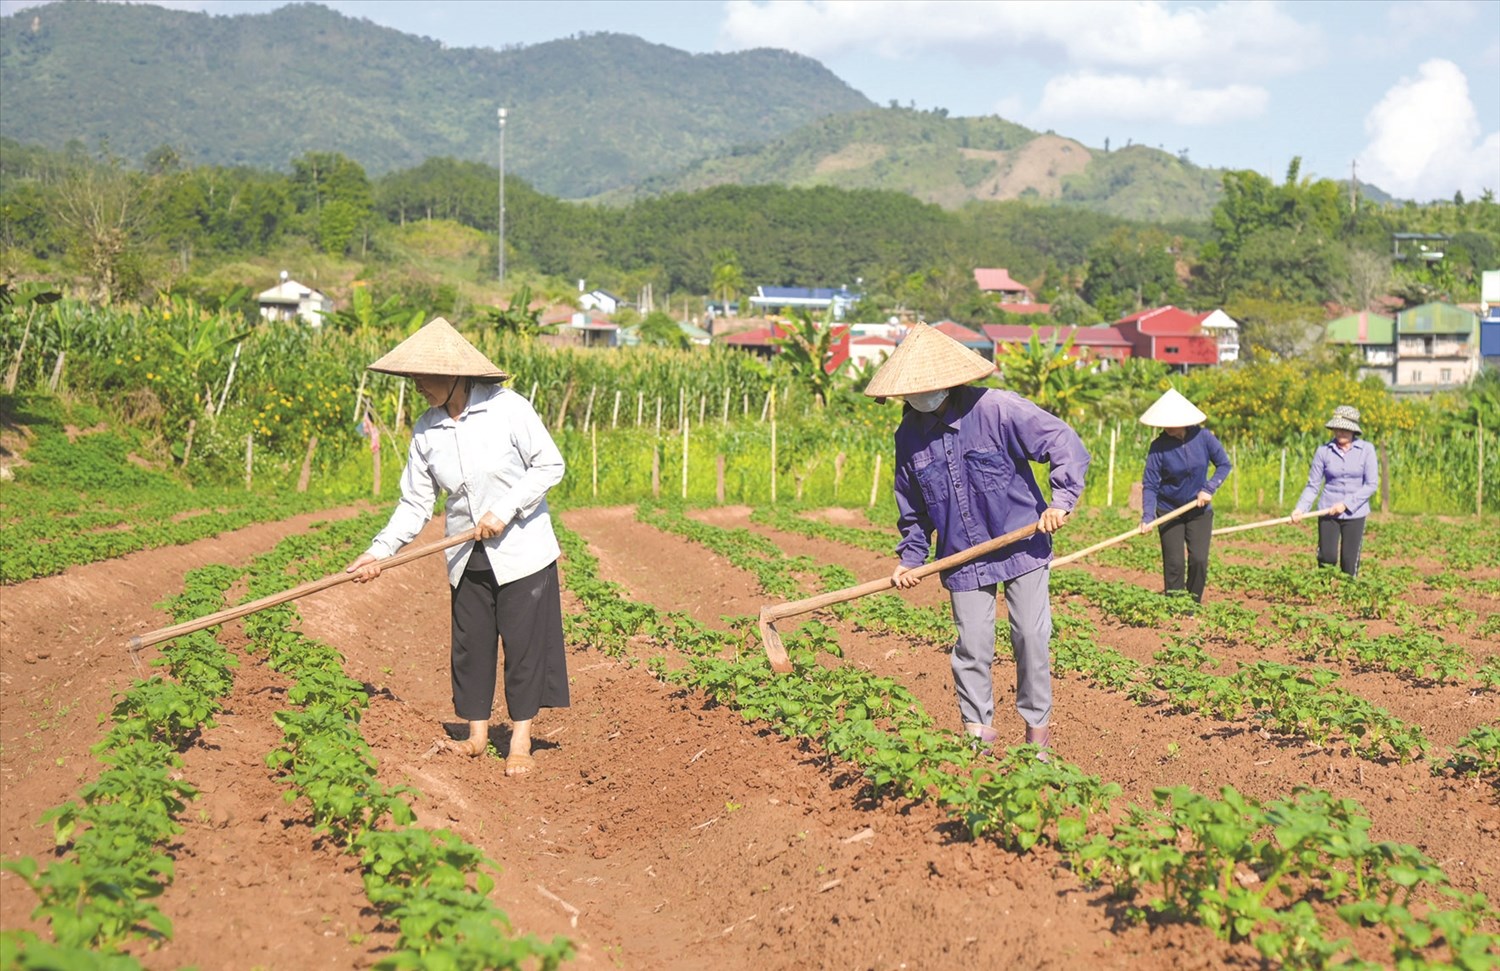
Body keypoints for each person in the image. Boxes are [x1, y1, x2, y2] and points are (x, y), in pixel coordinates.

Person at [346, 317, 569, 776]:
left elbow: (549, 464)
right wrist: (379, 552)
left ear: (454, 375)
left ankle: (521, 740)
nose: (417, 387)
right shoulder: (427, 431)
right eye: (413, 379)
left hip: (521, 548)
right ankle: (477, 735)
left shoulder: (509, 410)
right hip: (465, 552)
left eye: (424, 378)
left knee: (523, 645)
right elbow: (415, 503)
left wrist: (503, 510)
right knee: (472, 644)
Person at [867, 323, 1090, 756]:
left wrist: (1060, 501)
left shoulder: (999, 409)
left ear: (949, 382)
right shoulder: (907, 437)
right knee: (971, 645)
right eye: (911, 392)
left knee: (1030, 636)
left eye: (927, 388)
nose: (920, 397)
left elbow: (1063, 441)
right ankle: (978, 740)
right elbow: (911, 505)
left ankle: (1036, 741)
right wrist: (911, 557)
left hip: (1022, 544)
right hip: (961, 555)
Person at [1136, 389, 1231, 603]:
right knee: (1174, 562)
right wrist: (1148, 516)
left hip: (1198, 511)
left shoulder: (1204, 438)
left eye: (1171, 422)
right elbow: (1150, 484)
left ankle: (1193, 602)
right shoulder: (1158, 447)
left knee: (1198, 559)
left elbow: (1224, 464)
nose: (1167, 426)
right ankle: (1176, 604)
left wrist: (1209, 488)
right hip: (1169, 509)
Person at [1291, 405, 1378, 576]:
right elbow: (1313, 485)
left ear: (1353, 430)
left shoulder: (1366, 450)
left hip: (1355, 512)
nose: (1340, 432)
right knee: (1327, 557)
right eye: (1337, 428)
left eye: (1345, 429)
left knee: (1349, 561)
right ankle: (1324, 592)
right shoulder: (1323, 451)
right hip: (1328, 511)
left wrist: (1346, 504)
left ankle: (1348, 596)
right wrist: (1300, 508)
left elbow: (1371, 484)